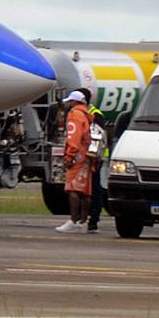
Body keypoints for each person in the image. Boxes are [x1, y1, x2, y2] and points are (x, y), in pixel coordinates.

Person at [55, 90, 94, 233]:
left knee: (72, 188)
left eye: (70, 101)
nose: (68, 104)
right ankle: (83, 222)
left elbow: (74, 137)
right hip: (87, 155)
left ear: (74, 102)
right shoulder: (86, 114)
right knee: (85, 190)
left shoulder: (75, 114)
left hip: (77, 155)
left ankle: (73, 221)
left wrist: (69, 156)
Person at [76, 88, 108, 232]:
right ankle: (82, 219)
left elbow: (97, 138)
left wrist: (92, 157)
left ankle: (93, 220)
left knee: (94, 189)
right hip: (84, 157)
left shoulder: (95, 115)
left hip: (94, 158)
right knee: (81, 189)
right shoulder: (83, 113)